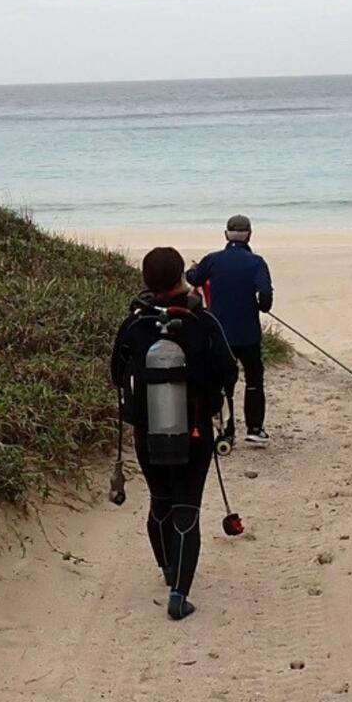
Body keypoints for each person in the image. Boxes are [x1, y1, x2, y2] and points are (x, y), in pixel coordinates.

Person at [109, 246, 238, 620]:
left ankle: (168, 570)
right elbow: (228, 372)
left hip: (146, 432)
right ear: (182, 273)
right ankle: (179, 594)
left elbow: (116, 374)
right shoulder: (202, 321)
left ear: (146, 280)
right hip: (194, 431)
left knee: (160, 499)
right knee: (187, 507)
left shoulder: (134, 323)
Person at [187, 214, 275, 445]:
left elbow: (193, 277)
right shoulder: (256, 262)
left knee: (224, 382)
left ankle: (226, 431)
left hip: (220, 333)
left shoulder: (213, 260)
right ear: (250, 235)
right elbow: (265, 296)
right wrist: (262, 306)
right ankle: (254, 428)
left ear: (226, 234)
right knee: (254, 378)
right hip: (248, 333)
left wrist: (193, 268)